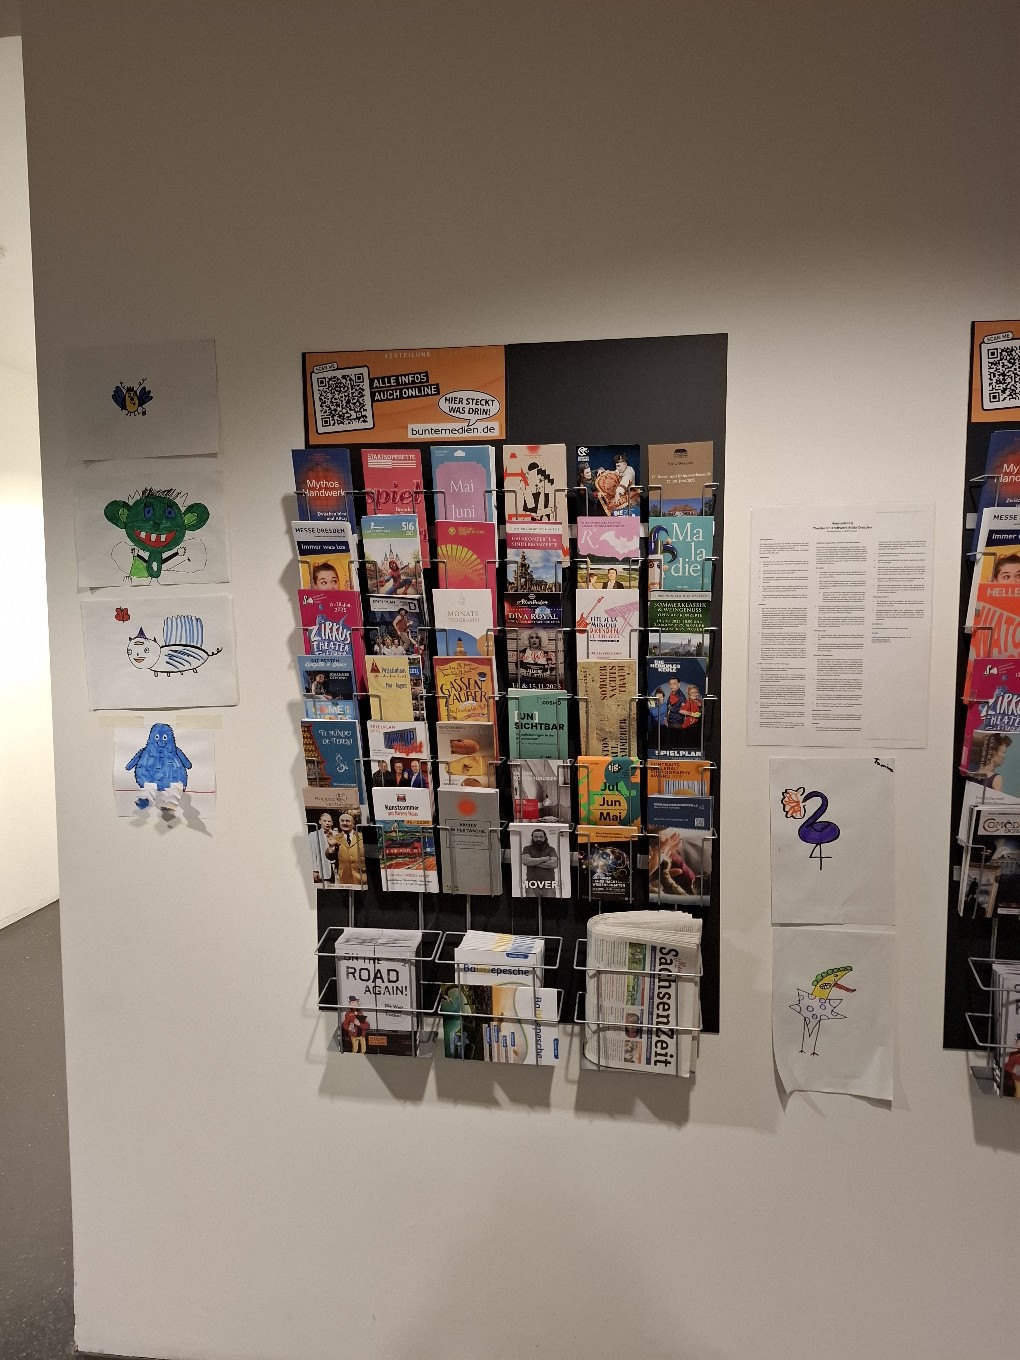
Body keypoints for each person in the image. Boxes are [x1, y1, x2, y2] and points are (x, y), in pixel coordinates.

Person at [520, 826, 559, 898]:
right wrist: (545, 858)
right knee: (531, 905)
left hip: (549, 884)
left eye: (541, 837)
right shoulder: (527, 848)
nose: (538, 839)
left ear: (545, 838)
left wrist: (533, 862)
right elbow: (525, 861)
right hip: (531, 884)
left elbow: (554, 864)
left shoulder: (551, 849)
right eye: (536, 837)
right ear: (532, 838)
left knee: (550, 904)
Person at [333, 811, 366, 887]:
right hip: (344, 879)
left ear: (353, 823)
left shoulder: (362, 837)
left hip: (362, 879)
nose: (344, 823)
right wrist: (331, 847)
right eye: (342, 821)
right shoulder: (335, 838)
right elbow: (330, 856)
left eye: (347, 821)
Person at [307, 811, 339, 885]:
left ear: (332, 823)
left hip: (336, 870)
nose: (327, 823)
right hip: (322, 869)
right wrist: (314, 870)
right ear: (320, 822)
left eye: (329, 821)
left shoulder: (336, 835)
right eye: (324, 821)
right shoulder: (313, 835)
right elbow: (312, 853)